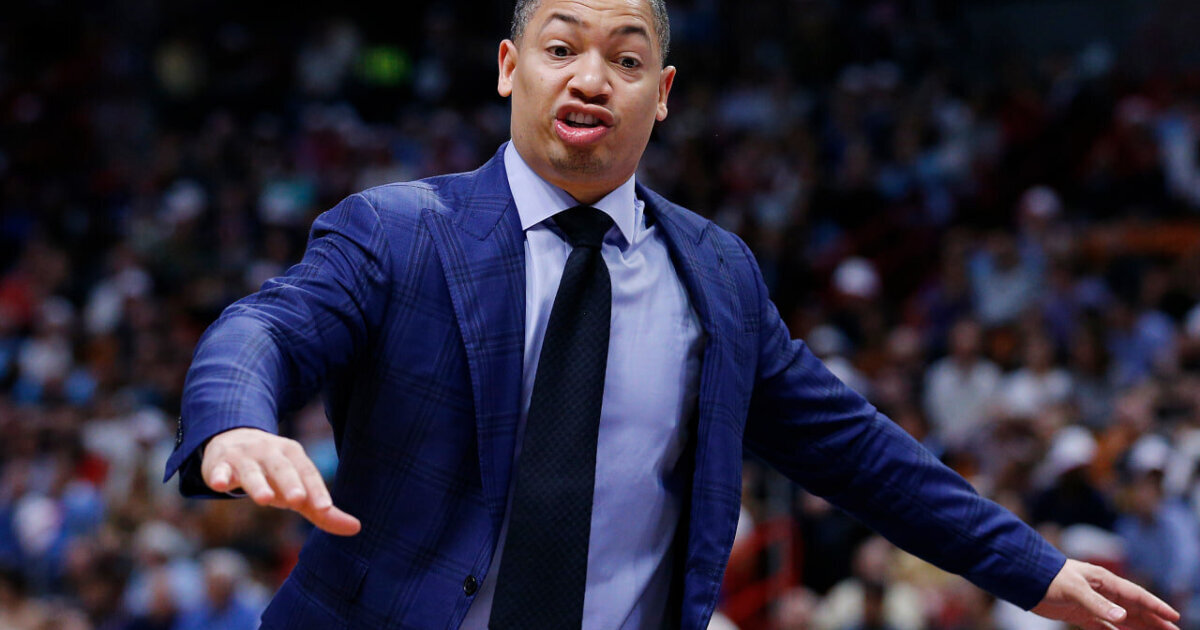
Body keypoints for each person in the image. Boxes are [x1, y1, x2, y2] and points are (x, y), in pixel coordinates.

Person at [164, 0, 1183, 628]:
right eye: (561, 47)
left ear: (663, 93)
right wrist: (238, 421)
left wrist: (1037, 571)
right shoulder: (399, 231)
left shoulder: (718, 274)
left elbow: (858, 452)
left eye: (626, 57)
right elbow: (265, 329)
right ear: (511, 68)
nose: (591, 78)